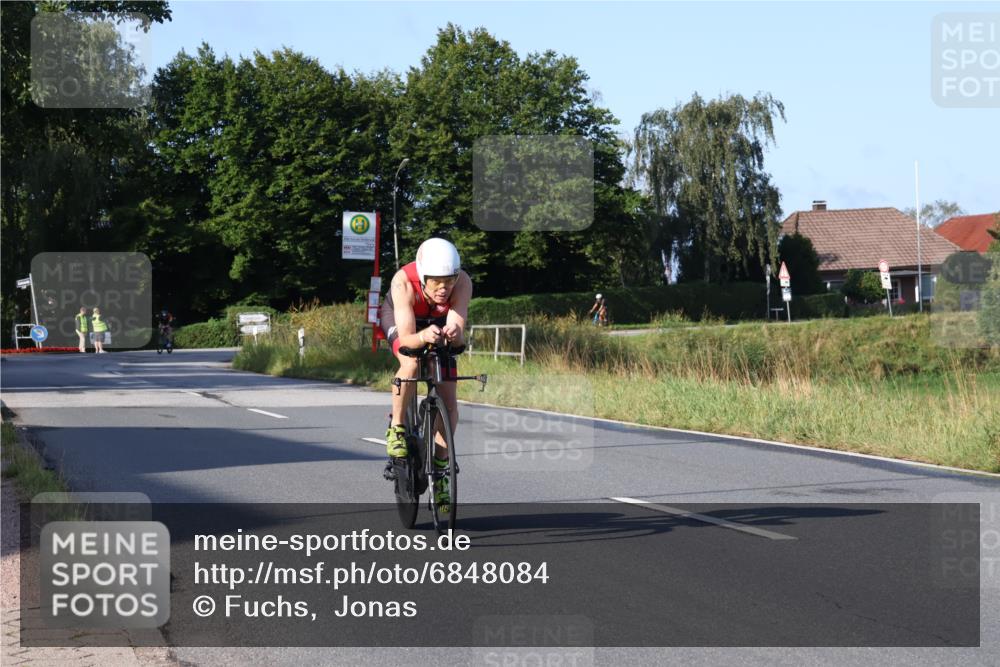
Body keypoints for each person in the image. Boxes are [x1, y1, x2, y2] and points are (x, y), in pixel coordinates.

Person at [379, 238, 472, 512]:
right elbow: (408, 339)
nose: (444, 288)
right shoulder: (403, 282)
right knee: (410, 362)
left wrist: (453, 334)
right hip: (403, 320)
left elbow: (457, 329)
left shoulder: (463, 282)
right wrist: (422, 336)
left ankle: (442, 468)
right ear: (423, 277)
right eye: (436, 282)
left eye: (449, 280)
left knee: (449, 394)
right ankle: (397, 428)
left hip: (437, 323)